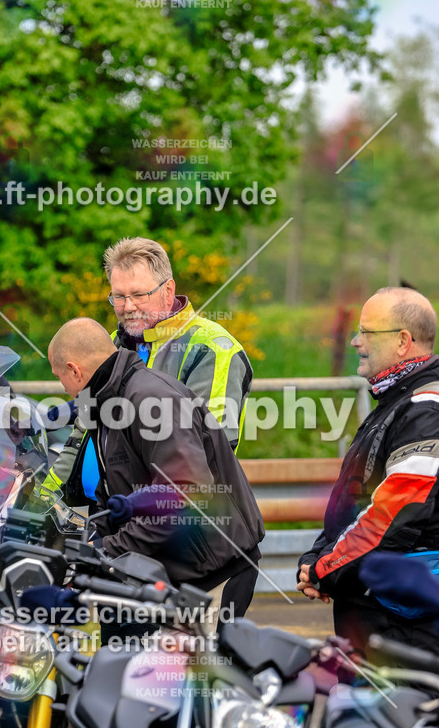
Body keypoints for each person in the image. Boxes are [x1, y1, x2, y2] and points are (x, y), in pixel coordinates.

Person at [48, 318, 264, 614]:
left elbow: (184, 497)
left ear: (75, 370)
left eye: (61, 379)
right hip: (172, 571)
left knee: (204, 662)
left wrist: (105, 550)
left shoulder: (150, 398)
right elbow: (119, 494)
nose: (65, 390)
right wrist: (85, 542)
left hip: (210, 576)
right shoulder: (110, 401)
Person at [45, 238, 252, 496]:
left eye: (139, 295)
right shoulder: (112, 344)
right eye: (119, 296)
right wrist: (42, 501)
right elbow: (81, 434)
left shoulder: (212, 348)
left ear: (168, 291)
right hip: (103, 517)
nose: (128, 307)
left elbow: (205, 458)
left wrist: (130, 523)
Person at [297, 286, 439, 654]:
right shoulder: (398, 398)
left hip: (403, 615)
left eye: (366, 332)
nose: (357, 342)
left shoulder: (425, 407)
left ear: (403, 341)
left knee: (385, 711)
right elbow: (355, 499)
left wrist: (324, 570)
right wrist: (318, 556)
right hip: (378, 601)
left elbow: (392, 515)